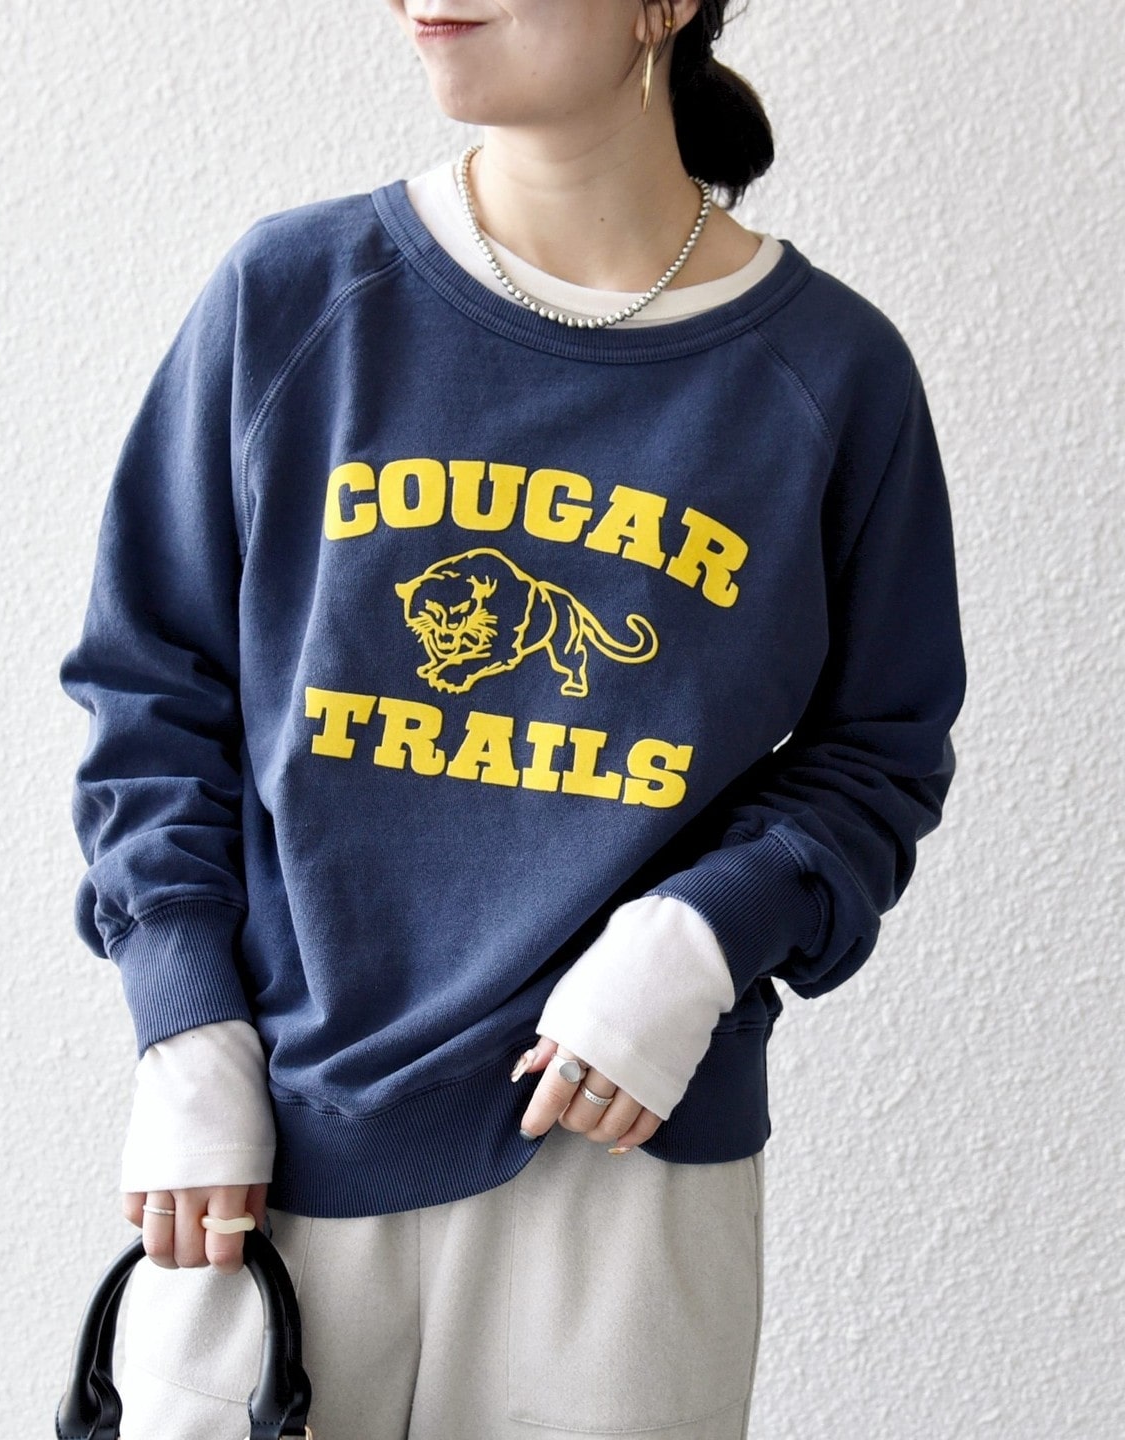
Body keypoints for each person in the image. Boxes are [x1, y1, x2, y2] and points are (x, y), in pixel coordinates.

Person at [59, 2, 965, 1436]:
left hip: (623, 1160)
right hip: (275, 1138)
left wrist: (696, 941)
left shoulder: (830, 374)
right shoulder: (297, 298)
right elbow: (152, 690)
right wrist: (189, 1033)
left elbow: (882, 750)